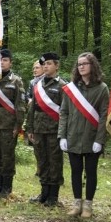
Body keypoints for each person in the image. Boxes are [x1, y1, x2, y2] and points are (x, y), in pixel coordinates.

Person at [58, 52, 109, 218]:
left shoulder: (102, 89)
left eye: (85, 64)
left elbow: (104, 116)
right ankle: (77, 202)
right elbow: (64, 112)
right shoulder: (71, 88)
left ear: (92, 65)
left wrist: (100, 140)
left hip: (92, 137)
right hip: (73, 135)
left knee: (91, 171)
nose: (81, 67)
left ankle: (88, 205)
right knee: (75, 171)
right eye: (79, 64)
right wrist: (62, 135)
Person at [25, 52, 67, 206]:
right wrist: (29, 128)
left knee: (54, 162)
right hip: (38, 129)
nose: (46, 66)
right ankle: (43, 193)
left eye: (49, 63)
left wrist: (63, 133)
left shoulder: (63, 85)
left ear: (57, 66)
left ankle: (53, 196)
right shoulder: (38, 85)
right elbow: (32, 110)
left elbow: (65, 111)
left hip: (54, 130)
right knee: (42, 160)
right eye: (44, 64)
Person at [0, 48, 25, 197]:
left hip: (8, 126)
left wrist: (18, 125)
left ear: (10, 63)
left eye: (5, 60)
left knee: (7, 156)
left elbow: (20, 105)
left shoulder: (16, 81)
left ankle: (6, 187)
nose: (1, 63)